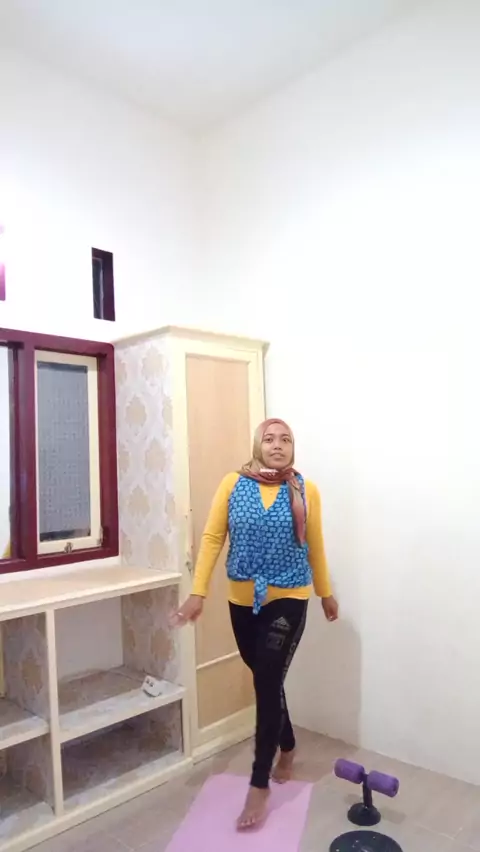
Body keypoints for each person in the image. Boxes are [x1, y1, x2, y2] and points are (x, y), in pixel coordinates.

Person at [173, 418, 338, 829]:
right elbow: (213, 538)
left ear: (293, 448)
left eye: (286, 439)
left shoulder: (306, 490)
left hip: (290, 597)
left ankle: (259, 783)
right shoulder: (233, 484)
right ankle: (288, 743)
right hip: (243, 602)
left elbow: (315, 545)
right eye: (269, 438)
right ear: (257, 445)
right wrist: (198, 592)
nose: (278, 445)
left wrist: (325, 592)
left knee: (266, 680)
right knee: (267, 678)